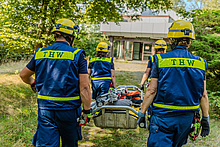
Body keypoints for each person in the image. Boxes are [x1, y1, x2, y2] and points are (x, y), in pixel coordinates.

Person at [20, 18, 92, 147]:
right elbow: (85, 87)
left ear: (56, 35)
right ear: (71, 36)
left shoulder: (40, 53)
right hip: (69, 110)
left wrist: (33, 83)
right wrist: (86, 110)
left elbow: (23, 75)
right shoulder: (77, 54)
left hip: (45, 110)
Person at [137, 20, 210, 147]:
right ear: (189, 41)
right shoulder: (200, 63)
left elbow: (151, 90)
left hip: (163, 117)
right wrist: (205, 118)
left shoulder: (160, 60)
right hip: (186, 120)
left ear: (172, 40)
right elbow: (203, 94)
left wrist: (142, 112)